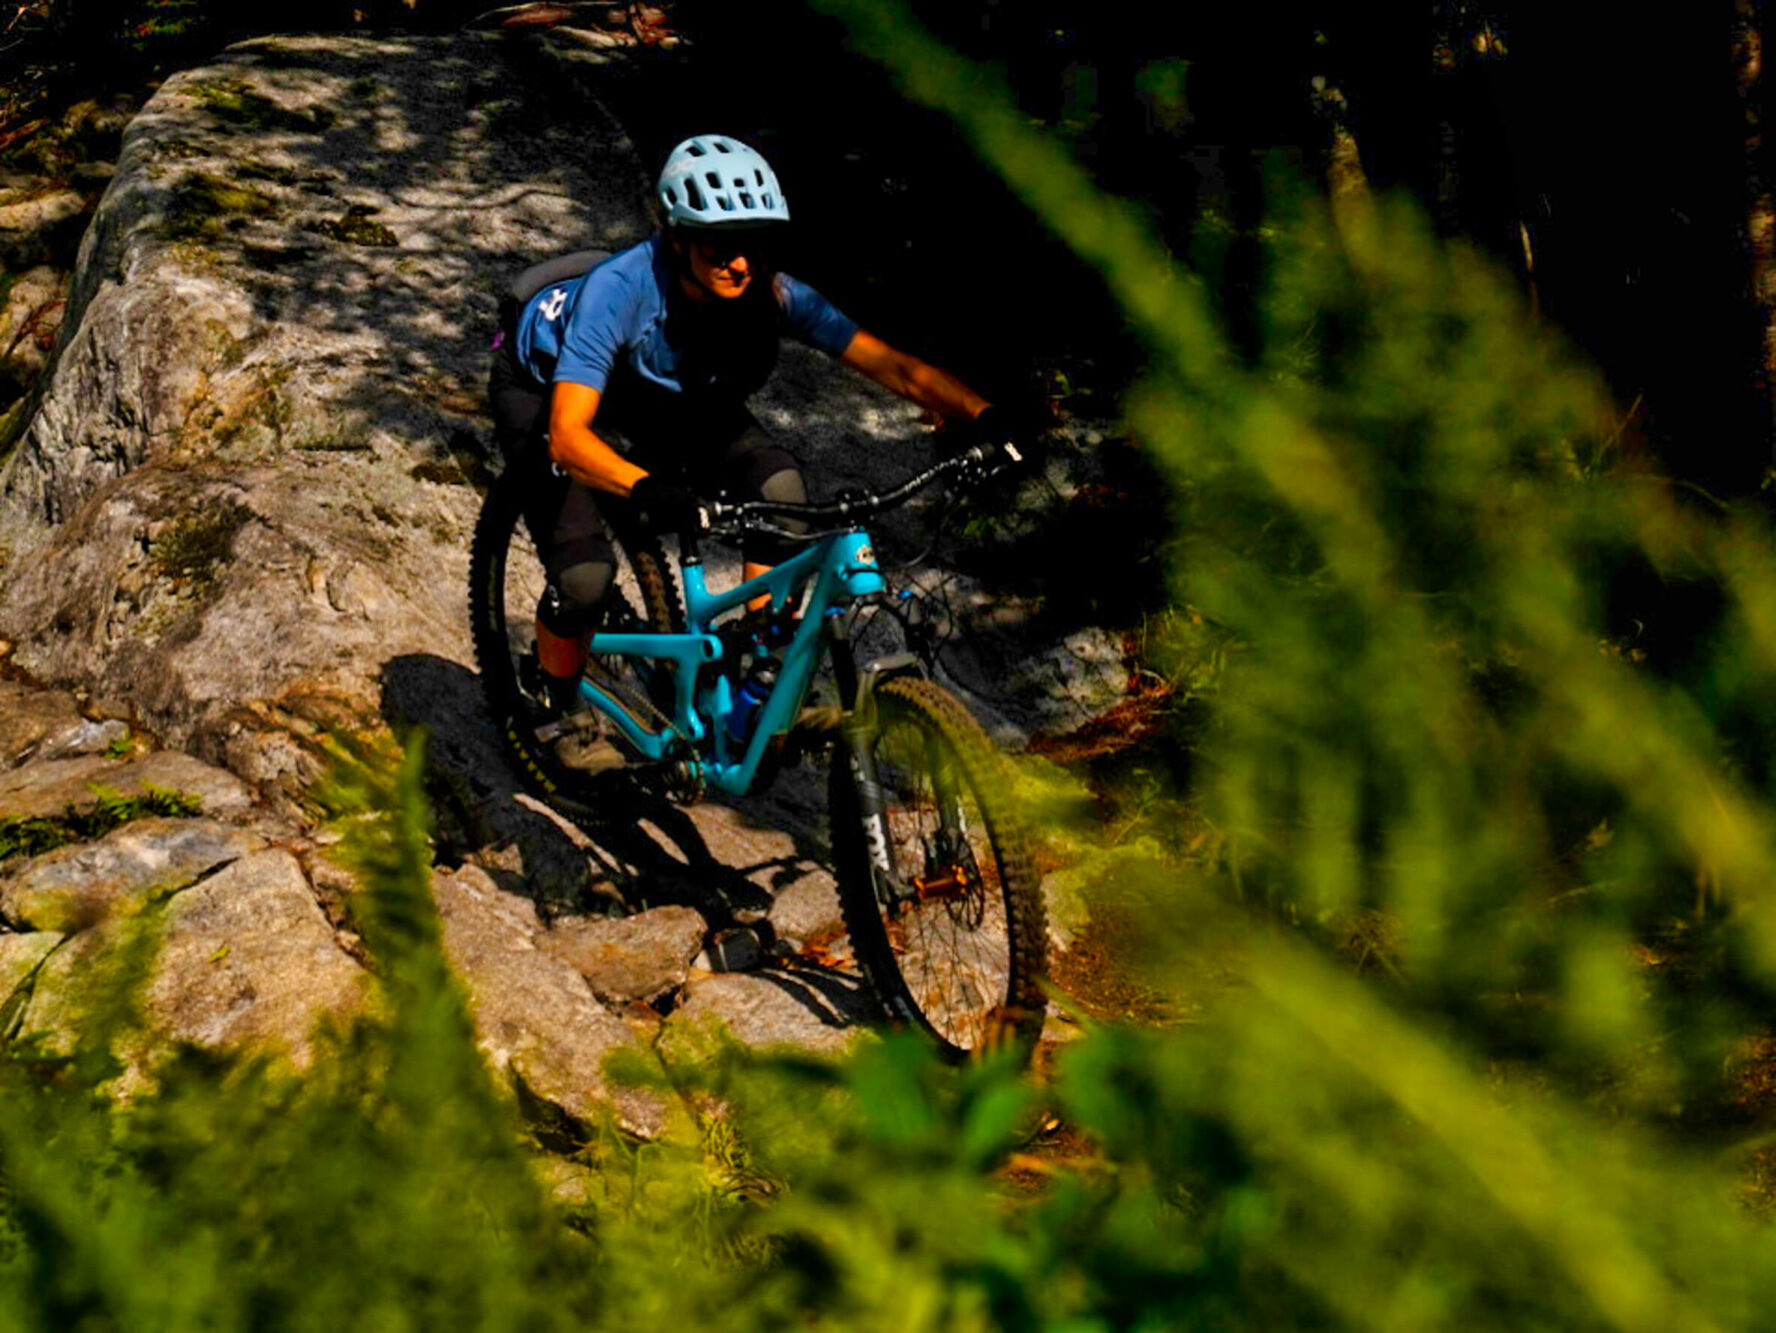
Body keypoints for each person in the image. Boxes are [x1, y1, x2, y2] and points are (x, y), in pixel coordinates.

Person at [488, 133, 1032, 768]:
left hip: (660, 391)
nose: (741, 262)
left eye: (755, 244)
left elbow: (898, 368)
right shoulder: (620, 290)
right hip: (545, 386)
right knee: (584, 577)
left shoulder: (773, 296)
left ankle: (755, 686)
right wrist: (644, 486)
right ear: (677, 236)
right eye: (721, 242)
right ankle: (557, 702)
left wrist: (986, 415)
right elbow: (570, 437)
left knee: (780, 491)